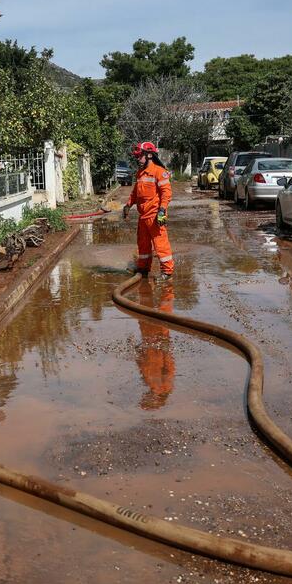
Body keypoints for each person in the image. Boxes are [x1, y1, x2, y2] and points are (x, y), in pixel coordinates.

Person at [123, 142, 174, 279]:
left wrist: (162, 211)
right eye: (137, 157)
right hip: (143, 216)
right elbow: (135, 192)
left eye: (140, 157)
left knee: (160, 244)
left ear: (149, 155)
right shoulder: (140, 173)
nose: (138, 160)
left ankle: (167, 272)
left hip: (156, 215)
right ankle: (143, 268)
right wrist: (128, 205)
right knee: (143, 245)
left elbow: (166, 194)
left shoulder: (159, 172)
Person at [135, 281, 176, 410]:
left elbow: (144, 369)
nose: (145, 396)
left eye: (144, 398)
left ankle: (160, 291)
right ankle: (166, 291)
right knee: (161, 312)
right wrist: (165, 347)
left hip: (151, 342)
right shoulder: (164, 386)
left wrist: (139, 356)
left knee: (147, 312)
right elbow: (168, 366)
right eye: (146, 400)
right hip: (157, 341)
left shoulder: (155, 386)